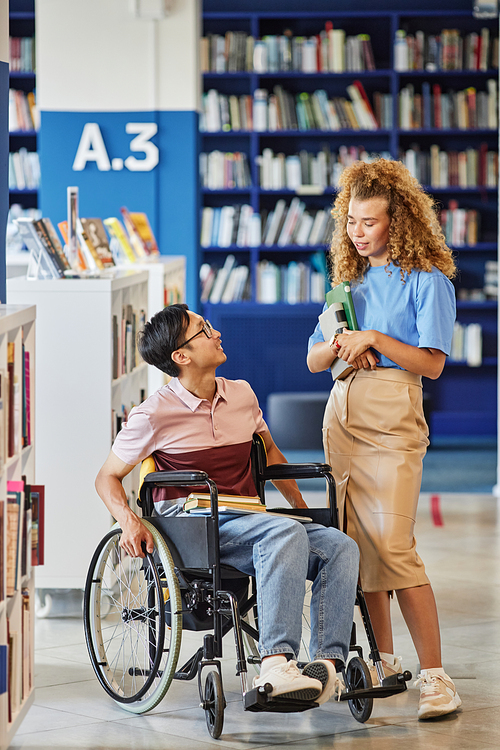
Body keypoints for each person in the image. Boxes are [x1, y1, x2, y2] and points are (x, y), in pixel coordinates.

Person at [95, 303, 359, 705]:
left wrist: (302, 507)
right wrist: (129, 521)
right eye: (204, 330)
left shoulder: (241, 394)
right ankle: (275, 665)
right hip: (195, 527)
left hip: (250, 519)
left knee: (340, 546)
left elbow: (270, 454)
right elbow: (106, 477)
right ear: (181, 357)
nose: (216, 333)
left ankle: (328, 667)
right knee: (283, 533)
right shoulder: (152, 415)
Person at [307, 158, 460, 720]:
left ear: (399, 222)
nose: (357, 232)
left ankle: (437, 678)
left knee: (393, 547)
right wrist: (344, 342)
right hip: (343, 416)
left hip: (395, 418)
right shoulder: (346, 283)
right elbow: (314, 356)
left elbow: (433, 363)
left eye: (369, 222)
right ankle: (385, 661)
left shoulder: (429, 281)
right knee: (360, 549)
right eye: (351, 221)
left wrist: (374, 336)